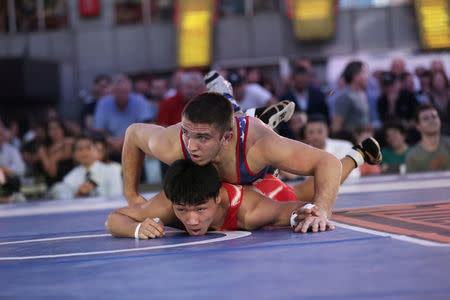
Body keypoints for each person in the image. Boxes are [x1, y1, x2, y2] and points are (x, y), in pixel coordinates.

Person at [122, 91, 381, 228]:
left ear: (226, 138)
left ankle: (252, 116)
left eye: (202, 138)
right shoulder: (172, 143)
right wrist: (132, 195)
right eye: (187, 133)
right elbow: (133, 134)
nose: (190, 146)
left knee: (296, 192)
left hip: (253, 165)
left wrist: (322, 209)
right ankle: (234, 104)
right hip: (230, 175)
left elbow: (326, 162)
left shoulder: (259, 147)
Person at [106, 157, 364, 239]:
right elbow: (113, 220)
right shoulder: (168, 204)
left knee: (305, 190)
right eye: (182, 210)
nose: (191, 220)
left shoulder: (250, 212)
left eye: (199, 209)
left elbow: (294, 209)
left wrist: (305, 213)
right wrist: (137, 228)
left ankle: (356, 156)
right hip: (237, 180)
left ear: (217, 197)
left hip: (267, 191)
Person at [92, 74, 152, 158]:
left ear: (130, 92)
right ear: (113, 92)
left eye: (125, 92)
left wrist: (123, 140)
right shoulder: (103, 103)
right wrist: (110, 140)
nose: (122, 95)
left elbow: (147, 125)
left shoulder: (140, 101)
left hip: (136, 144)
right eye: (118, 92)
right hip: (109, 144)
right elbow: (97, 129)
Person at [51, 135, 123, 199]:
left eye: (88, 148)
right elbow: (64, 206)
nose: (84, 152)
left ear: (96, 150)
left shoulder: (111, 172)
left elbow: (116, 200)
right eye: (80, 149)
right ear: (74, 154)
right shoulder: (69, 178)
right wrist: (79, 195)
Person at [406, 104, 450, 173]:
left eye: (434, 117)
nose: (431, 120)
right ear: (418, 126)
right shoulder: (413, 156)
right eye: (425, 118)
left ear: (440, 121)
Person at [331, 61, 371, 135]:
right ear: (355, 76)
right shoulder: (345, 97)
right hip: (351, 143)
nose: (367, 76)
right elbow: (336, 127)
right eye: (364, 72)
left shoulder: (361, 94)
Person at [0, 126, 26, 203]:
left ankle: (7, 198)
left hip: (8, 183)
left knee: (13, 180)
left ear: (3, 137)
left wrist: (5, 169)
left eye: (0, 134)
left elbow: (21, 169)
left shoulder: (12, 150)